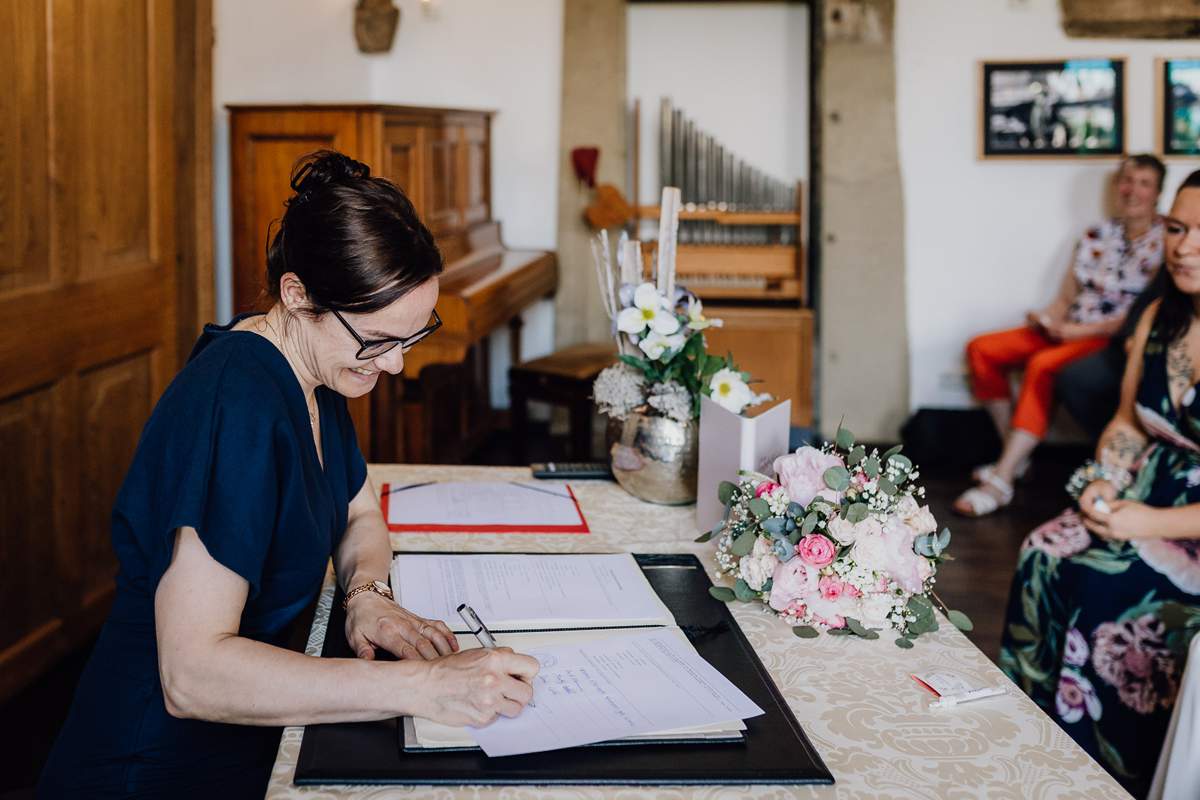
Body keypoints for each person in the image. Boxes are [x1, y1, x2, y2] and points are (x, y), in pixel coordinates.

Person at [38, 151, 539, 798]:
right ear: (297, 295)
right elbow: (191, 674)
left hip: (259, 722)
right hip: (159, 762)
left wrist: (368, 596)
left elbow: (359, 511)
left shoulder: (320, 370)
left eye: (412, 336)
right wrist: (425, 686)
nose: (395, 366)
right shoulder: (237, 404)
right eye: (378, 340)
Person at [998, 169, 1200, 798]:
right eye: (1177, 229)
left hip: (1186, 525)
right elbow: (1128, 420)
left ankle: (1111, 774)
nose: (1185, 247)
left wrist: (1149, 523)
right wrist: (1105, 480)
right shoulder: (1161, 315)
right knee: (1042, 552)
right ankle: (1032, 746)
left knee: (1105, 587)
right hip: (1147, 487)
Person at [955, 154, 1166, 517]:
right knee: (981, 349)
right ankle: (1015, 455)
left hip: (1102, 337)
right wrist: (1048, 318)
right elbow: (1067, 296)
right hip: (1068, 327)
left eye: (1144, 183)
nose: (1132, 190)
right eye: (1127, 181)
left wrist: (1076, 332)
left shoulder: (1166, 240)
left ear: (1158, 192)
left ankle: (1002, 478)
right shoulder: (1096, 234)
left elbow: (1135, 318)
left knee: (1042, 365)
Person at [1055, 270, 1167, 440]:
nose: (1182, 254)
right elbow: (1143, 305)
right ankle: (1111, 440)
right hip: (1128, 346)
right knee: (1075, 378)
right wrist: (1131, 336)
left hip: (1161, 354)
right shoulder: (1167, 276)